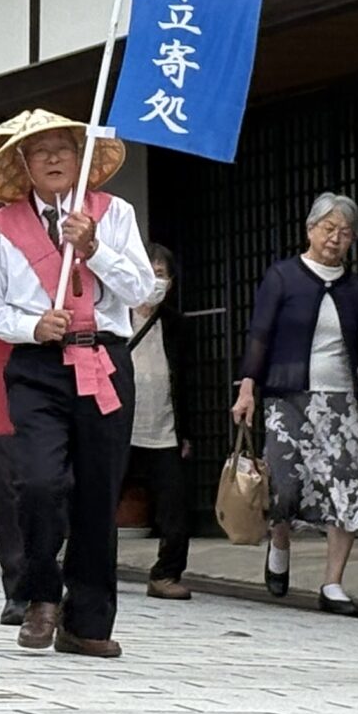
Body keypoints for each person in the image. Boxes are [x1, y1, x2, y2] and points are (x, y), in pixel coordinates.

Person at [0, 109, 161, 658]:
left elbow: (142, 288)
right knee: (39, 481)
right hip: (37, 366)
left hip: (102, 359)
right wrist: (31, 326)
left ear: (80, 158)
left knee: (99, 492)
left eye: (62, 148)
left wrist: (96, 249)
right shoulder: (1, 228)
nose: (52, 158)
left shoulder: (112, 214)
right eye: (40, 150)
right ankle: (40, 594)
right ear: (23, 164)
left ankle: (88, 621)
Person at [234, 194, 358, 615]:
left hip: (340, 399)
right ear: (310, 229)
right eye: (328, 228)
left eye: (345, 232)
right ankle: (279, 541)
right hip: (286, 396)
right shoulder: (283, 276)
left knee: (345, 483)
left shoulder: (355, 288)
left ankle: (333, 583)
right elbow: (260, 334)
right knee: (285, 482)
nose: (335, 238)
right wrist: (247, 388)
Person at [126, 244, 193, 601]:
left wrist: (187, 433)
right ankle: (87, 569)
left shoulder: (176, 324)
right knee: (98, 503)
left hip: (164, 429)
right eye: (148, 273)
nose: (155, 281)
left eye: (162, 274)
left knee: (174, 507)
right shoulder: (114, 317)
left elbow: (186, 381)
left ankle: (166, 574)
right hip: (120, 428)